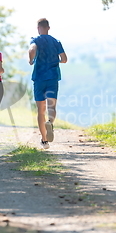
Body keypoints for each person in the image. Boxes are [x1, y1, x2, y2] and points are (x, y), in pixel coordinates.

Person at [29, 18, 67, 149]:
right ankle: (50, 122)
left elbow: (32, 49)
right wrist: (57, 62)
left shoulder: (35, 40)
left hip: (39, 78)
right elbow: (64, 59)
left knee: (40, 111)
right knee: (51, 107)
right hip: (52, 77)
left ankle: (44, 140)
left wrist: (31, 59)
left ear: (38, 28)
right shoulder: (56, 42)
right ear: (48, 28)